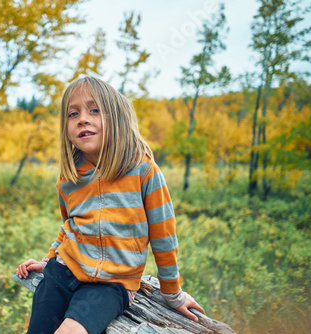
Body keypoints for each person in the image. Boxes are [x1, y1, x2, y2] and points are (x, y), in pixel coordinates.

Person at [17, 77, 204, 334]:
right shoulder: (70, 178)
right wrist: (48, 259)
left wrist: (173, 294)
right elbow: (70, 226)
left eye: (94, 110)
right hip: (63, 271)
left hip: (110, 285)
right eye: (74, 113)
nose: (83, 118)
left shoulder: (143, 171)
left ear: (115, 117)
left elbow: (164, 238)